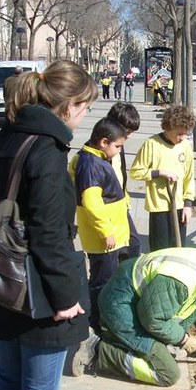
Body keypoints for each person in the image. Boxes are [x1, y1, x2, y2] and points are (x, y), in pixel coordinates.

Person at [0, 60, 98, 390]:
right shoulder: (47, 149)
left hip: (5, 277)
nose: (85, 114)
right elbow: (48, 232)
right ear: (66, 106)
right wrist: (65, 297)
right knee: (39, 388)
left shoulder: (6, 138)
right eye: (85, 106)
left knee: (8, 378)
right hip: (40, 292)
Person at [72, 246, 196, 385]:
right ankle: (98, 349)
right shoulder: (182, 279)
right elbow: (152, 319)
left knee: (164, 340)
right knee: (167, 374)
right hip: (121, 306)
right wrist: (184, 340)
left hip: (142, 306)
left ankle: (118, 341)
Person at [69, 117, 130, 333]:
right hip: (103, 237)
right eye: (118, 146)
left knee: (106, 277)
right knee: (102, 281)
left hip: (110, 233)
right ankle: (99, 323)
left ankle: (102, 317)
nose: (119, 151)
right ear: (104, 141)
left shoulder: (93, 157)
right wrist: (106, 231)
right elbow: (92, 203)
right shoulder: (91, 164)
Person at [130, 105, 195, 251]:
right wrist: (159, 173)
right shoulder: (151, 144)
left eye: (186, 134)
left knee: (177, 249)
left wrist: (188, 205)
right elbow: (135, 172)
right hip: (159, 207)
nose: (183, 138)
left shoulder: (185, 147)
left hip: (179, 206)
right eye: (179, 134)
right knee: (160, 250)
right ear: (168, 127)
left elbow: (189, 177)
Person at [107, 102, 142, 261]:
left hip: (120, 204)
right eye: (127, 132)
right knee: (121, 251)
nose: (128, 137)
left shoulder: (118, 146)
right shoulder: (105, 149)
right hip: (107, 210)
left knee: (133, 246)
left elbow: (120, 175)